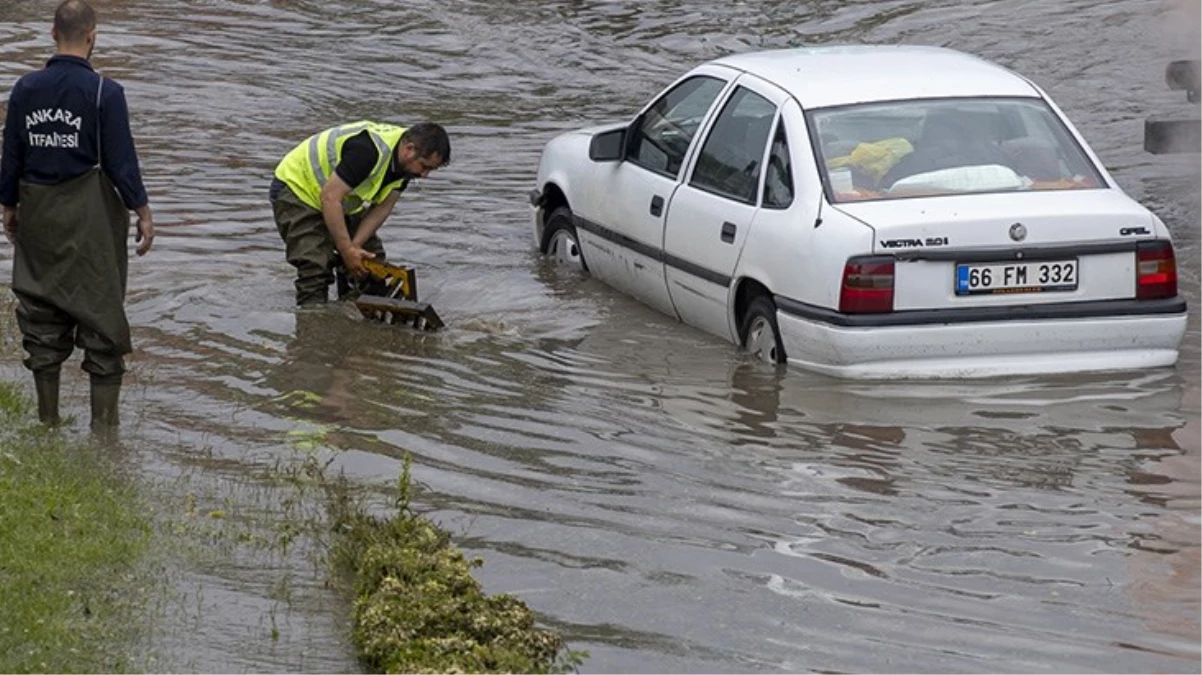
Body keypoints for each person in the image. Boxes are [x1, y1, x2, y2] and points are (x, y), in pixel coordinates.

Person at [0, 0, 154, 430]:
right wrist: (142, 210)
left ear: (53, 34)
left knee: (42, 316)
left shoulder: (25, 89)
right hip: (92, 227)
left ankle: (47, 422)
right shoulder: (108, 93)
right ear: (92, 36)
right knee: (102, 318)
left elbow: (11, 157)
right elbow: (122, 164)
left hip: (40, 216)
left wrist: (9, 206)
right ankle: (104, 435)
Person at [270, 121, 450, 306]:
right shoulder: (367, 151)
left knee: (371, 261)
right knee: (315, 266)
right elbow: (330, 198)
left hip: (338, 199)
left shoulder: (404, 166)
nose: (425, 175)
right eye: (424, 166)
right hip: (297, 189)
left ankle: (350, 315)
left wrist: (355, 246)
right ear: (409, 149)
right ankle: (312, 322)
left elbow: (382, 208)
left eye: (431, 170)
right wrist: (346, 249)